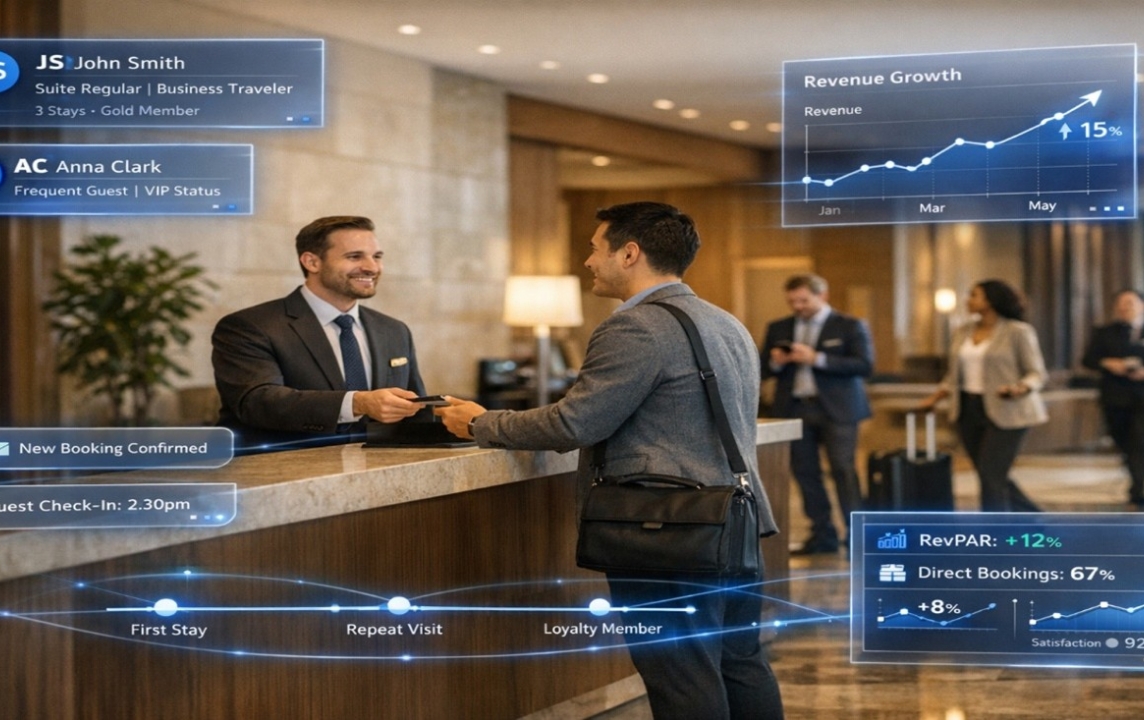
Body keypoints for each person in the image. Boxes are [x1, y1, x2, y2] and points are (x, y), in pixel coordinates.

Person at [435, 202, 783, 720]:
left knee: (681, 674)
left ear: (630, 253)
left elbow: (574, 423)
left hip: (667, 530)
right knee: (740, 662)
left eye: (596, 248)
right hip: (734, 521)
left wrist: (480, 423)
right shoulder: (724, 321)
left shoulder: (637, 327)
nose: (588, 261)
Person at [212, 216, 426, 449]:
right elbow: (257, 402)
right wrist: (357, 403)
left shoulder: (394, 330)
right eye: (354, 256)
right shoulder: (249, 326)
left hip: (383, 468)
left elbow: (415, 412)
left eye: (377, 257)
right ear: (312, 262)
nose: (372, 267)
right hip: (285, 467)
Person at [760, 274, 873, 555]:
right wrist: (776, 362)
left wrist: (817, 359)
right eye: (792, 302)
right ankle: (822, 535)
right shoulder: (779, 327)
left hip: (838, 410)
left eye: (803, 300)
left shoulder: (849, 325)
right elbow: (761, 369)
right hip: (795, 408)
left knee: (843, 470)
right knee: (805, 474)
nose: (798, 306)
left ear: (822, 295)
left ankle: (858, 534)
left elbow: (864, 365)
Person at [920, 280, 1048, 511]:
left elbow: (1036, 373)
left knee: (991, 474)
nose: (968, 300)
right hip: (968, 409)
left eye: (974, 295)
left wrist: (1020, 387)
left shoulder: (1017, 331)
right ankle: (1033, 516)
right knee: (989, 473)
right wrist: (934, 399)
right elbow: (953, 375)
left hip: (1008, 409)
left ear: (990, 300)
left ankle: (994, 530)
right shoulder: (962, 331)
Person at [1082, 289, 1144, 507]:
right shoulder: (1105, 332)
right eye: (1121, 304)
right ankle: (1138, 483)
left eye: (1130, 303)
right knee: (1125, 442)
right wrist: (1108, 363)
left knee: (1140, 442)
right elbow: (1088, 360)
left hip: (1142, 397)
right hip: (1115, 397)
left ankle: (1139, 489)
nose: (1125, 308)